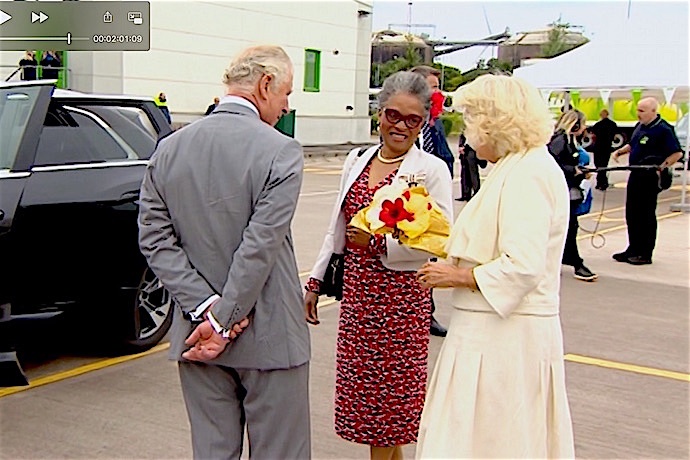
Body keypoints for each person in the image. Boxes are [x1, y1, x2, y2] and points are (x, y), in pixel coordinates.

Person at [138, 45, 311, 459]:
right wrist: (224, 319)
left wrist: (205, 309)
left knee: (212, 452)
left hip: (196, 338)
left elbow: (154, 240)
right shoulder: (280, 150)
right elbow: (260, 246)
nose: (286, 106)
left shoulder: (169, 148)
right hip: (269, 337)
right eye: (286, 93)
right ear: (265, 85)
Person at [415, 74, 575, 459]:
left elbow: (524, 264)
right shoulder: (515, 167)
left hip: (505, 337)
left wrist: (457, 276)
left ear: (494, 121)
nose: (467, 132)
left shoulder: (529, 172)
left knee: (495, 438)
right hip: (490, 331)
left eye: (471, 119)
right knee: (481, 435)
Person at [304, 71, 453, 460]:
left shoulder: (432, 170)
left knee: (390, 408)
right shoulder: (357, 160)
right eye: (393, 115)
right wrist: (316, 280)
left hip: (400, 301)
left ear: (425, 122)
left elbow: (437, 241)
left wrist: (379, 242)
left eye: (412, 119)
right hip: (359, 298)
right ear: (379, 113)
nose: (400, 126)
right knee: (370, 406)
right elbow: (337, 226)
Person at [611, 97, 682, 265]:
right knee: (632, 213)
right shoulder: (640, 127)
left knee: (646, 215)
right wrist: (620, 152)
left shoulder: (664, 129)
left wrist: (661, 167)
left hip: (650, 177)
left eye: (642, 111)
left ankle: (644, 253)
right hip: (635, 175)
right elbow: (633, 144)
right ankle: (632, 248)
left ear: (653, 111)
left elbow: (676, 153)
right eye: (637, 110)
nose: (638, 114)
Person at [410, 64, 452, 337]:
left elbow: (445, 156)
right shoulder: (406, 121)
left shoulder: (434, 125)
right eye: (432, 86)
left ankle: (427, 311)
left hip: (431, 197)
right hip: (409, 198)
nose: (437, 92)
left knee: (430, 254)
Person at [548, 109, 598, 282]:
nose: (584, 128)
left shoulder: (569, 140)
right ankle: (576, 263)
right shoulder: (560, 141)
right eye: (582, 124)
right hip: (561, 190)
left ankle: (564, 261)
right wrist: (573, 170)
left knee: (569, 227)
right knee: (567, 227)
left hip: (569, 188)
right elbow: (552, 164)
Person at [590, 109, 619, 190]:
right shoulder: (612, 124)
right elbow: (614, 136)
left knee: (598, 164)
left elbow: (593, 135)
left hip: (598, 147)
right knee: (604, 165)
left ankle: (601, 182)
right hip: (607, 147)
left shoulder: (598, 125)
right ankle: (603, 182)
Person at [457, 132, 486, 201]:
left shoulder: (476, 127)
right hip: (465, 151)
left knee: (472, 172)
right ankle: (466, 193)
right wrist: (461, 146)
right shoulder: (466, 127)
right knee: (464, 173)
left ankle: (476, 191)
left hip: (472, 151)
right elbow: (462, 136)